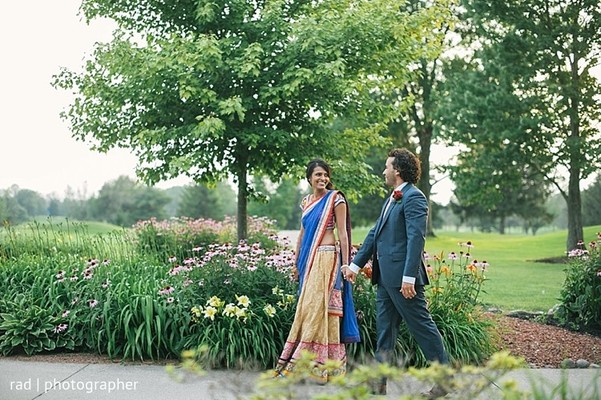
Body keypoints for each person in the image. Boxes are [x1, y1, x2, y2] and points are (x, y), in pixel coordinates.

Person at [344, 148, 449, 398]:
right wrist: (355, 266)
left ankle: (445, 381)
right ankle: (378, 383)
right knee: (385, 334)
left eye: (387, 166)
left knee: (423, 328)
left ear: (398, 170)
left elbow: (416, 238)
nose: (384, 171)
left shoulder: (414, 197)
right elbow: (374, 234)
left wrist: (408, 277)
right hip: (385, 279)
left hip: (403, 281)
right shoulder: (393, 197)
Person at [274, 159, 360, 383]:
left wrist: (346, 263)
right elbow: (302, 235)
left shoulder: (336, 199)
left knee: (322, 309)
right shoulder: (306, 202)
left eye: (325, 175)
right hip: (308, 261)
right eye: (318, 175)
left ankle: (321, 368)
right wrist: (295, 263)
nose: (322, 179)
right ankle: (313, 367)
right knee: (308, 308)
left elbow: (343, 234)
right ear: (309, 178)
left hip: (328, 258)